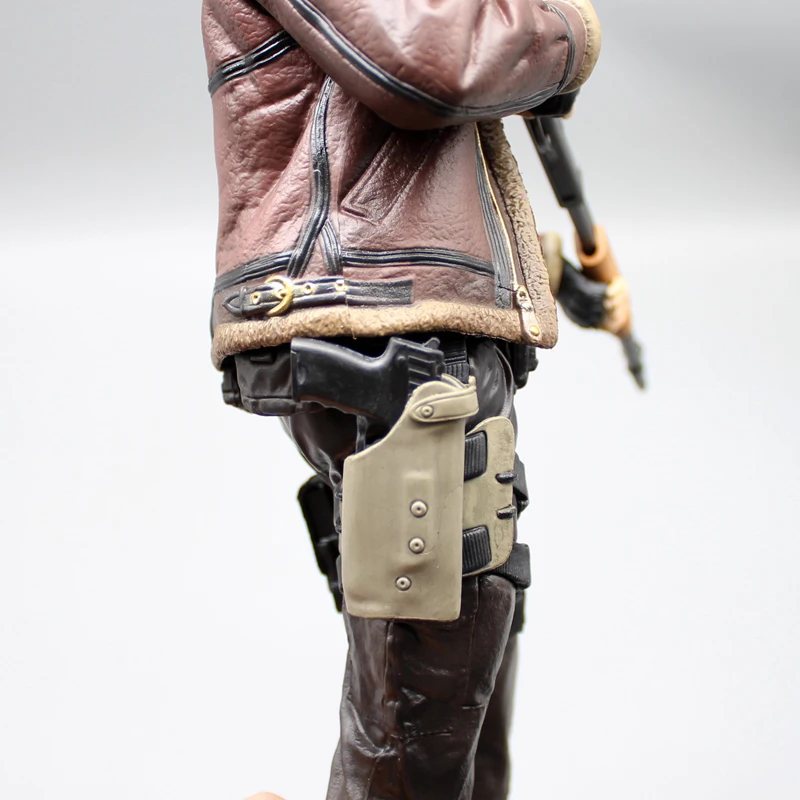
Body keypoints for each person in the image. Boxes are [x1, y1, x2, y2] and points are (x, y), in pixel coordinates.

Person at [202, 2, 614, 797]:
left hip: (398, 319)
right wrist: (573, 28)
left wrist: (552, 270)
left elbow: (423, 163)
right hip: (384, 329)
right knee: (425, 685)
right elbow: (431, 63)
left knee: (463, 657)